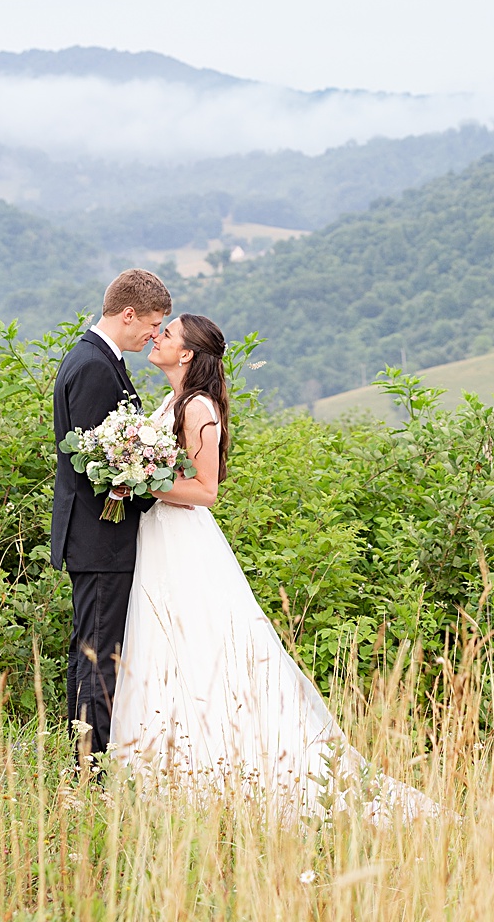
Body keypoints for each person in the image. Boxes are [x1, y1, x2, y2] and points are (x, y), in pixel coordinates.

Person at [108, 312, 435, 817]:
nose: (157, 337)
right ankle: (162, 766)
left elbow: (206, 491)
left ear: (188, 353)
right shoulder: (173, 401)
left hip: (183, 539)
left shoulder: (197, 408)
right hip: (158, 537)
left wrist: (140, 481)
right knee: (163, 644)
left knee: (201, 644)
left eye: (167, 334)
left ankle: (229, 766)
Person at [51, 267, 172, 762]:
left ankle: (82, 758)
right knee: (99, 654)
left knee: (91, 649)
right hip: (101, 538)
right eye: (153, 323)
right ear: (128, 314)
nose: (155, 334)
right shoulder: (96, 367)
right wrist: (150, 490)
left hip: (96, 537)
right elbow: (99, 465)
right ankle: (88, 766)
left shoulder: (96, 358)